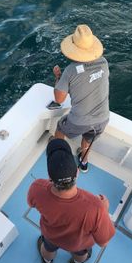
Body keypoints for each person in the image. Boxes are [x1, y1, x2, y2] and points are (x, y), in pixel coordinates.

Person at [27, 138, 115, 263]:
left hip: (51, 236)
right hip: (78, 244)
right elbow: (103, 242)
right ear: (77, 173)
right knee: (81, 253)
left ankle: (47, 261)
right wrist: (104, 209)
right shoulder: (97, 207)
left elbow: (31, 203)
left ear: (49, 177)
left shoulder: (37, 187)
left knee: (48, 248)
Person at [53, 24, 109, 173]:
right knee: (88, 137)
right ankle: (84, 162)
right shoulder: (104, 62)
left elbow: (59, 99)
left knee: (60, 127)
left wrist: (58, 77)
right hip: (102, 119)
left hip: (80, 120)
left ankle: (58, 157)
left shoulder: (70, 70)